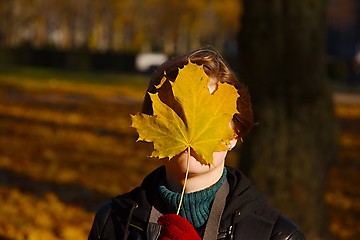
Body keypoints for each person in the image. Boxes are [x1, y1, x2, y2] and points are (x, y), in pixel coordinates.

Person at [88, 48, 305, 240]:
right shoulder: (112, 223)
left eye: (210, 116)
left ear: (235, 135)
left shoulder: (278, 235)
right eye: (176, 113)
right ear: (154, 124)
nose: (190, 125)